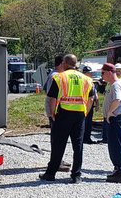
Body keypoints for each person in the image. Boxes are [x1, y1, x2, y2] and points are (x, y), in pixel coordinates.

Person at [40, 54, 93, 184]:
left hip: (63, 113)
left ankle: (50, 173)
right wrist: (85, 111)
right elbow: (91, 98)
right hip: (80, 114)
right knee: (78, 146)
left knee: (58, 144)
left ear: (64, 63)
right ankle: (76, 175)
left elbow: (52, 98)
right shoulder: (86, 79)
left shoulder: (60, 77)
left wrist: (52, 113)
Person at [100, 63, 121, 183]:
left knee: (116, 146)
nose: (102, 76)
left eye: (102, 73)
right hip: (118, 118)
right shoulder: (114, 84)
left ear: (109, 72)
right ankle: (118, 169)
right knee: (115, 145)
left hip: (116, 118)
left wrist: (110, 112)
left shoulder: (116, 85)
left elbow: (117, 100)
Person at [82, 64, 100, 145]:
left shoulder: (91, 82)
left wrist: (97, 103)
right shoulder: (83, 81)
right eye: (87, 72)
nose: (89, 74)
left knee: (88, 122)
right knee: (85, 122)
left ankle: (87, 137)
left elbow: (95, 94)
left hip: (89, 104)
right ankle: (84, 138)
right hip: (84, 104)